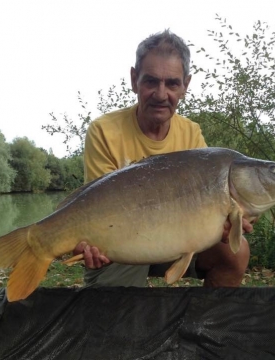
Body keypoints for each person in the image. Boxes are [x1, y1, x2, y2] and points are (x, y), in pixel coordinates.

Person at [73, 29, 252, 288]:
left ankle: (206, 324)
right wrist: (89, 243)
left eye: (172, 83)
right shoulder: (104, 131)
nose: (160, 94)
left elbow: (211, 206)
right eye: (150, 81)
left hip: (178, 239)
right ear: (134, 80)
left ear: (185, 86)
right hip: (123, 244)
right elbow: (97, 209)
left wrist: (226, 225)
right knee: (121, 317)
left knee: (237, 252)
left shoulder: (191, 133)